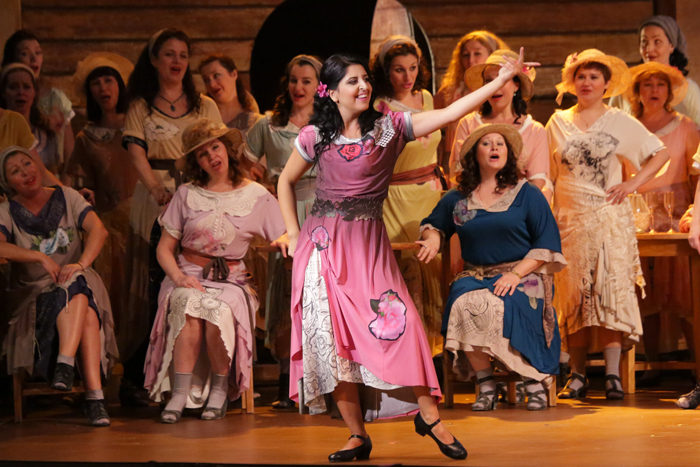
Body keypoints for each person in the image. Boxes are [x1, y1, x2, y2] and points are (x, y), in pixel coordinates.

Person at [274, 49, 532, 461]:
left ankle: (429, 417)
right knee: (332, 342)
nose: (363, 87)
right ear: (333, 93)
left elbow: (449, 113)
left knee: (403, 326)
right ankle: (357, 435)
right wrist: (291, 230)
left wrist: (497, 83)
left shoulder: (389, 128)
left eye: (364, 79)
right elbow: (284, 182)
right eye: (352, 82)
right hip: (321, 248)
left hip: (367, 247)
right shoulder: (314, 136)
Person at [143, 118, 286, 423]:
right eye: (203, 154)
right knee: (188, 305)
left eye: (215, 147)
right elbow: (164, 248)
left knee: (217, 312)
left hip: (231, 280)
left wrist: (286, 238)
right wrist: (179, 277)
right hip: (187, 273)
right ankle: (180, 394)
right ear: (197, 163)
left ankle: (220, 390)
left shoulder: (256, 195)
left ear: (228, 149)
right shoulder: (186, 194)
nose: (212, 156)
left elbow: (282, 233)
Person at [548, 49, 670, 401]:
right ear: (572, 82)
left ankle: (613, 374)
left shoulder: (619, 120)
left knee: (609, 291)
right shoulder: (557, 122)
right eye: (581, 76)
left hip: (607, 214)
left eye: (594, 77)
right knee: (573, 295)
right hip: (570, 218)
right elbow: (552, 174)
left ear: (605, 85)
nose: (586, 83)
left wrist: (633, 184)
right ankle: (578, 374)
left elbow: (659, 152)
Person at [419, 124, 565, 411]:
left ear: (509, 154)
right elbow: (434, 224)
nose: (495, 147)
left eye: (501, 144)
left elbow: (547, 243)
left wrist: (515, 274)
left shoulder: (527, 194)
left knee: (511, 301)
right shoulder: (459, 198)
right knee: (464, 302)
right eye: (487, 143)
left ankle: (533, 378)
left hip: (524, 273)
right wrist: (433, 240)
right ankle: (485, 382)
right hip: (476, 275)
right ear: (475, 154)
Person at [121, 28, 222, 407]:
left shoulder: (204, 104)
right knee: (153, 287)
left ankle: (199, 379)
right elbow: (135, 152)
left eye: (182, 54)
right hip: (158, 198)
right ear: (154, 60)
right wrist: (155, 189)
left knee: (199, 280)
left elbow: (217, 150)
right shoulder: (141, 106)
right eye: (168, 54)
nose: (177, 61)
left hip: (197, 197)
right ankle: (145, 377)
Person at [0, 146, 117, 426]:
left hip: (78, 280)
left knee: (76, 282)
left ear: (38, 165)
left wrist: (81, 264)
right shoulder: (7, 210)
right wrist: (38, 256)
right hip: (35, 293)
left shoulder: (67, 196)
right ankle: (95, 398)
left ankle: (66, 365)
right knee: (85, 308)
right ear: (8, 183)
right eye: (15, 171)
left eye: (27, 164)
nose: (25, 172)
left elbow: (98, 230)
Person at [242, 54, 322, 410]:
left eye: (306, 81)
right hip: (284, 212)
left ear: (319, 86)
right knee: (287, 295)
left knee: (320, 296)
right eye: (293, 80)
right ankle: (289, 384)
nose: (298, 87)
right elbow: (242, 169)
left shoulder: (329, 124)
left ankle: (323, 383)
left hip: (323, 212)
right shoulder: (268, 125)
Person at [624, 62, 700, 386]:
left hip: (675, 210)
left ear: (669, 92)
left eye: (660, 85)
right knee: (646, 296)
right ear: (638, 93)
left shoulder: (685, 126)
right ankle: (650, 362)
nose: (653, 91)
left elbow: (696, 173)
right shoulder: (627, 126)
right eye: (647, 85)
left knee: (685, 295)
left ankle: (697, 366)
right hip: (636, 212)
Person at [61, 52, 138, 372]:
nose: (103, 88)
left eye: (109, 80)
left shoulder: (138, 124)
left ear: (120, 84)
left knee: (141, 298)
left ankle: (139, 374)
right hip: (109, 229)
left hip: (143, 223)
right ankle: (106, 371)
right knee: (114, 297)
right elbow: (71, 182)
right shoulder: (87, 136)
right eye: (96, 82)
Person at [371, 35, 444, 356]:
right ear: (386, 72)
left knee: (434, 270)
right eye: (399, 70)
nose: (407, 76)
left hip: (430, 193)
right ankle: (405, 352)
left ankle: (435, 353)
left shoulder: (426, 98)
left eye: (413, 68)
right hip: (394, 197)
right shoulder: (377, 106)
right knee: (403, 271)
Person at [451, 50, 551, 201]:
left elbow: (537, 182)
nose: (495, 86)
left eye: (502, 79)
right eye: (488, 81)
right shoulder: (468, 124)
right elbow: (458, 175)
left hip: (518, 210)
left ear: (516, 86)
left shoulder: (535, 130)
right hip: (476, 208)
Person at [434, 31, 509, 169]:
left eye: (477, 53)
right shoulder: (450, 91)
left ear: (491, 54)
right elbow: (432, 126)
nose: (471, 60)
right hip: (456, 159)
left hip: (492, 160)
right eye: (466, 55)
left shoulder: (502, 90)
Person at [610, 15, 700, 127]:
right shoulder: (625, 88)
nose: (649, 49)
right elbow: (611, 128)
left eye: (657, 42)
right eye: (644, 42)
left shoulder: (688, 89)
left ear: (671, 46)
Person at [2, 30, 75, 165]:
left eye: (38, 52)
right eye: (25, 53)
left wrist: (63, 185)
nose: (34, 58)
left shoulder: (56, 98)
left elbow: (69, 153)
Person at [0, 63, 60, 174]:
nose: (20, 92)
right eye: (13, 87)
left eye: (26, 87)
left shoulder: (46, 135)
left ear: (34, 92)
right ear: (3, 92)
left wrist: (66, 191)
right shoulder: (4, 129)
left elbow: (49, 175)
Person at [199, 54, 261, 136]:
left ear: (233, 74)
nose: (212, 84)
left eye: (216, 75)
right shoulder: (202, 120)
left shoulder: (254, 120)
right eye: (206, 80)